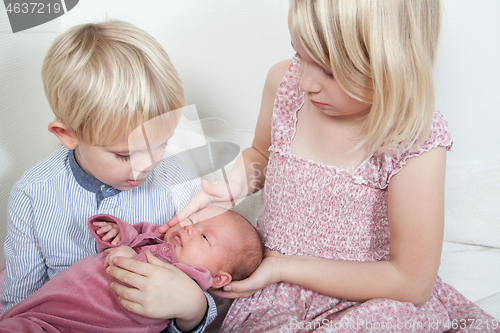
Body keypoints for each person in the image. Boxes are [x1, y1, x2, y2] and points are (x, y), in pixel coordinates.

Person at [130, 0, 496, 332]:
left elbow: (411, 282)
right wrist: (232, 185)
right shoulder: (285, 84)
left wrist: (282, 266)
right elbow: (261, 153)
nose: (306, 82)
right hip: (272, 293)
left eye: (331, 72)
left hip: (367, 298)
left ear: (393, 65)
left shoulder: (415, 139)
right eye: (299, 55)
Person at [1, 20, 217, 332]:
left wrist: (193, 310)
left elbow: (207, 277)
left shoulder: (181, 186)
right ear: (68, 135)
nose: (146, 165)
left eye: (161, 144)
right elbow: (21, 298)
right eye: (124, 155)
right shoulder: (33, 192)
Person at [0, 207, 263, 333]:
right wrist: (116, 232)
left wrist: (131, 259)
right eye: (193, 220)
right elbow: (130, 237)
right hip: (56, 302)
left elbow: (148, 306)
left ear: (218, 277)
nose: (190, 228)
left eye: (205, 238)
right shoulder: (154, 238)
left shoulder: (191, 280)